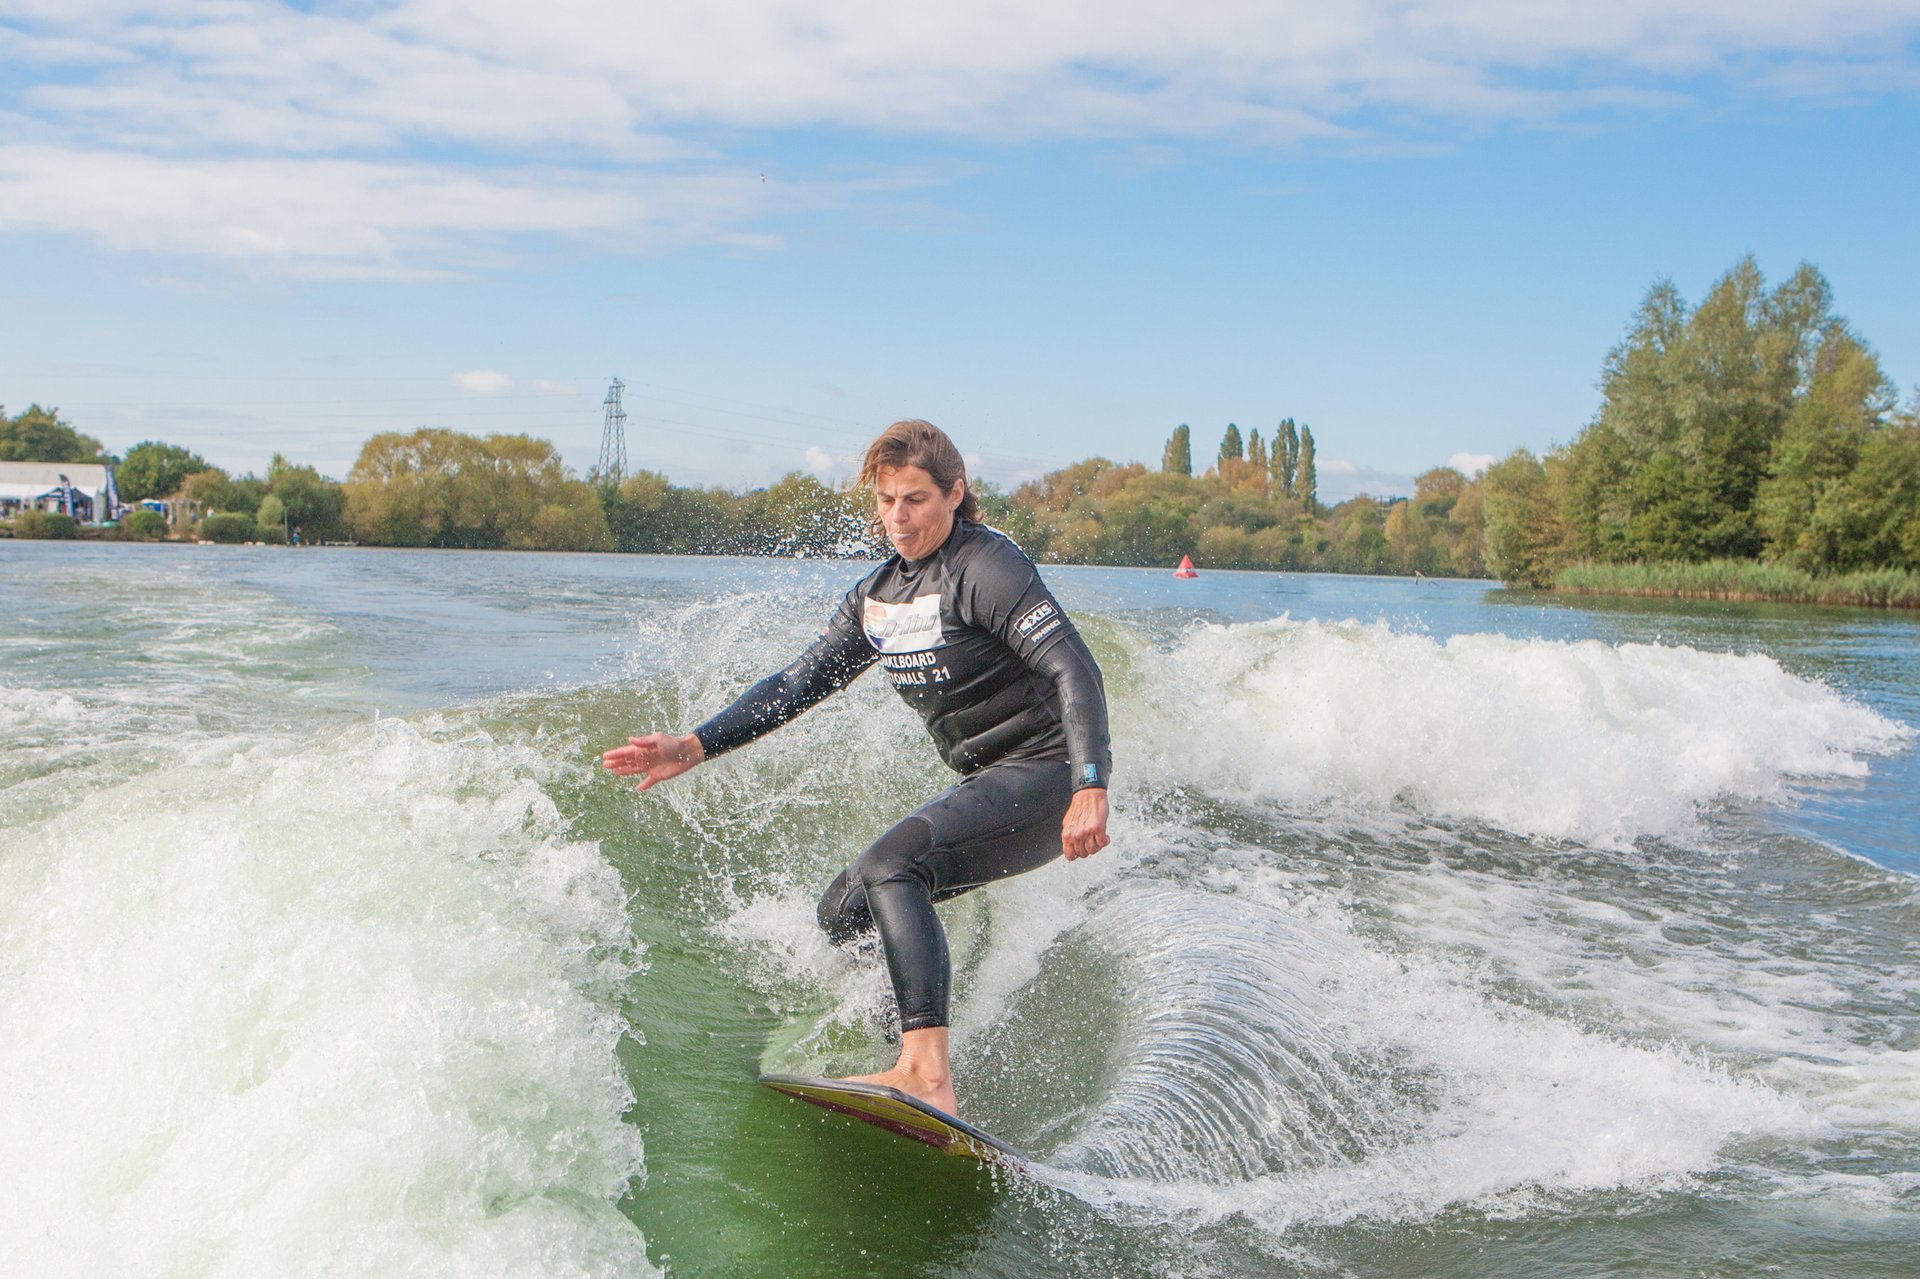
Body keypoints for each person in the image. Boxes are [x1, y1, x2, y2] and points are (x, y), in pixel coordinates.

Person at [602, 419, 1112, 1119]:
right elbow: (795, 684)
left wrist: (1090, 784)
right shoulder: (879, 595)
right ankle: (901, 1061)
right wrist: (693, 745)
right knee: (844, 912)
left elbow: (1075, 670)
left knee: (891, 865)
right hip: (990, 783)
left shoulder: (987, 567)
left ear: (955, 494)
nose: (898, 517)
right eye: (886, 500)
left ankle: (927, 1073)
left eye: (916, 499)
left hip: (1048, 774)